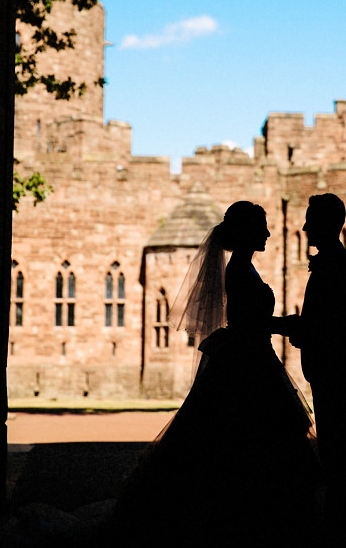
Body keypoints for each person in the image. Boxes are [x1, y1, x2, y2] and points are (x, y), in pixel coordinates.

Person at [110, 201, 318, 543]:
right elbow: (248, 323)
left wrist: (281, 326)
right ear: (247, 231)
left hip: (251, 356)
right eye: (261, 227)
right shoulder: (238, 270)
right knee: (244, 437)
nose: (267, 233)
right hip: (247, 361)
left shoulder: (243, 268)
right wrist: (286, 325)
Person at [282, 193, 346, 529]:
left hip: (334, 367)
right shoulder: (337, 261)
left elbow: (331, 323)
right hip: (336, 366)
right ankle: (338, 514)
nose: (304, 228)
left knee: (333, 445)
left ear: (325, 224)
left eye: (310, 221)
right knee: (333, 443)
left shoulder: (336, 265)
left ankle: (338, 519)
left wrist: (286, 326)